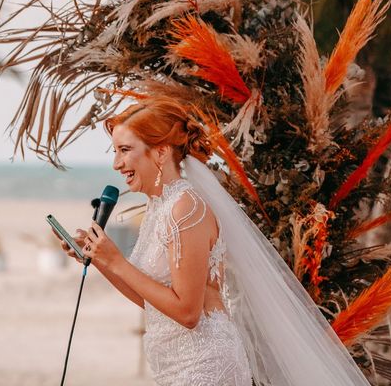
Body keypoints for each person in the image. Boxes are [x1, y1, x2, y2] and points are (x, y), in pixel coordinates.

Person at [58, 83, 370, 386]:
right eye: (116, 151)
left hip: (205, 367)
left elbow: (187, 312)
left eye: (125, 150)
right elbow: (152, 301)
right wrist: (103, 261)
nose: (117, 163)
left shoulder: (186, 209)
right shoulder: (160, 207)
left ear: (161, 152)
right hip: (174, 366)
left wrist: (119, 262)